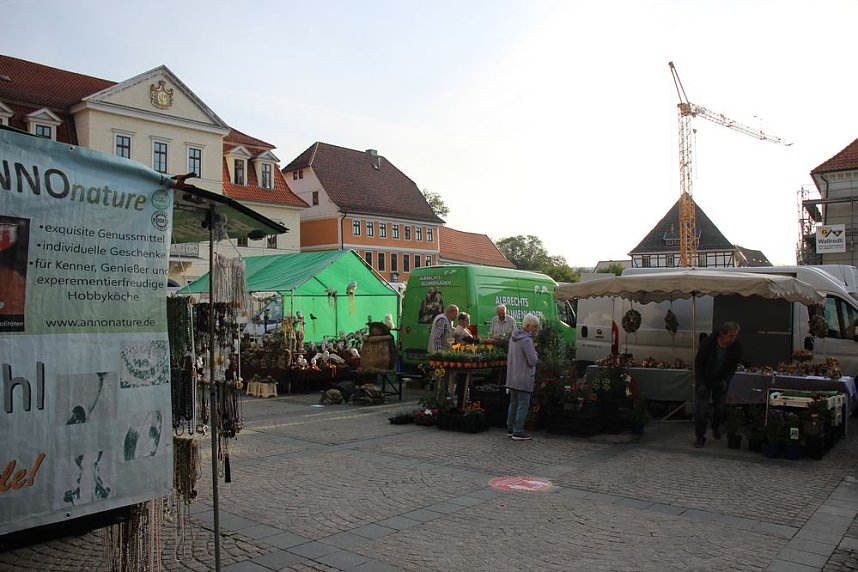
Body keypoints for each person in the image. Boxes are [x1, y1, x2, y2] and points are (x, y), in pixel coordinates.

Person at [693, 321, 742, 448]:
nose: (733, 339)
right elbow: (698, 364)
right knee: (701, 410)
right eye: (731, 336)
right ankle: (700, 436)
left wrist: (726, 380)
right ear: (722, 334)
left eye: (735, 336)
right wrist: (700, 383)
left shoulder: (735, 347)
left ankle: (716, 426)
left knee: (720, 408)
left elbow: (733, 366)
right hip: (705, 379)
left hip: (720, 380)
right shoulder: (708, 344)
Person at [505, 313, 540, 441]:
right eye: (535, 327)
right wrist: (536, 353)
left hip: (513, 376)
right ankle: (518, 431)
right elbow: (532, 360)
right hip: (524, 377)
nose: (536, 329)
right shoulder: (526, 340)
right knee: (523, 404)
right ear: (528, 325)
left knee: (513, 403)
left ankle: (510, 428)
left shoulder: (513, 338)